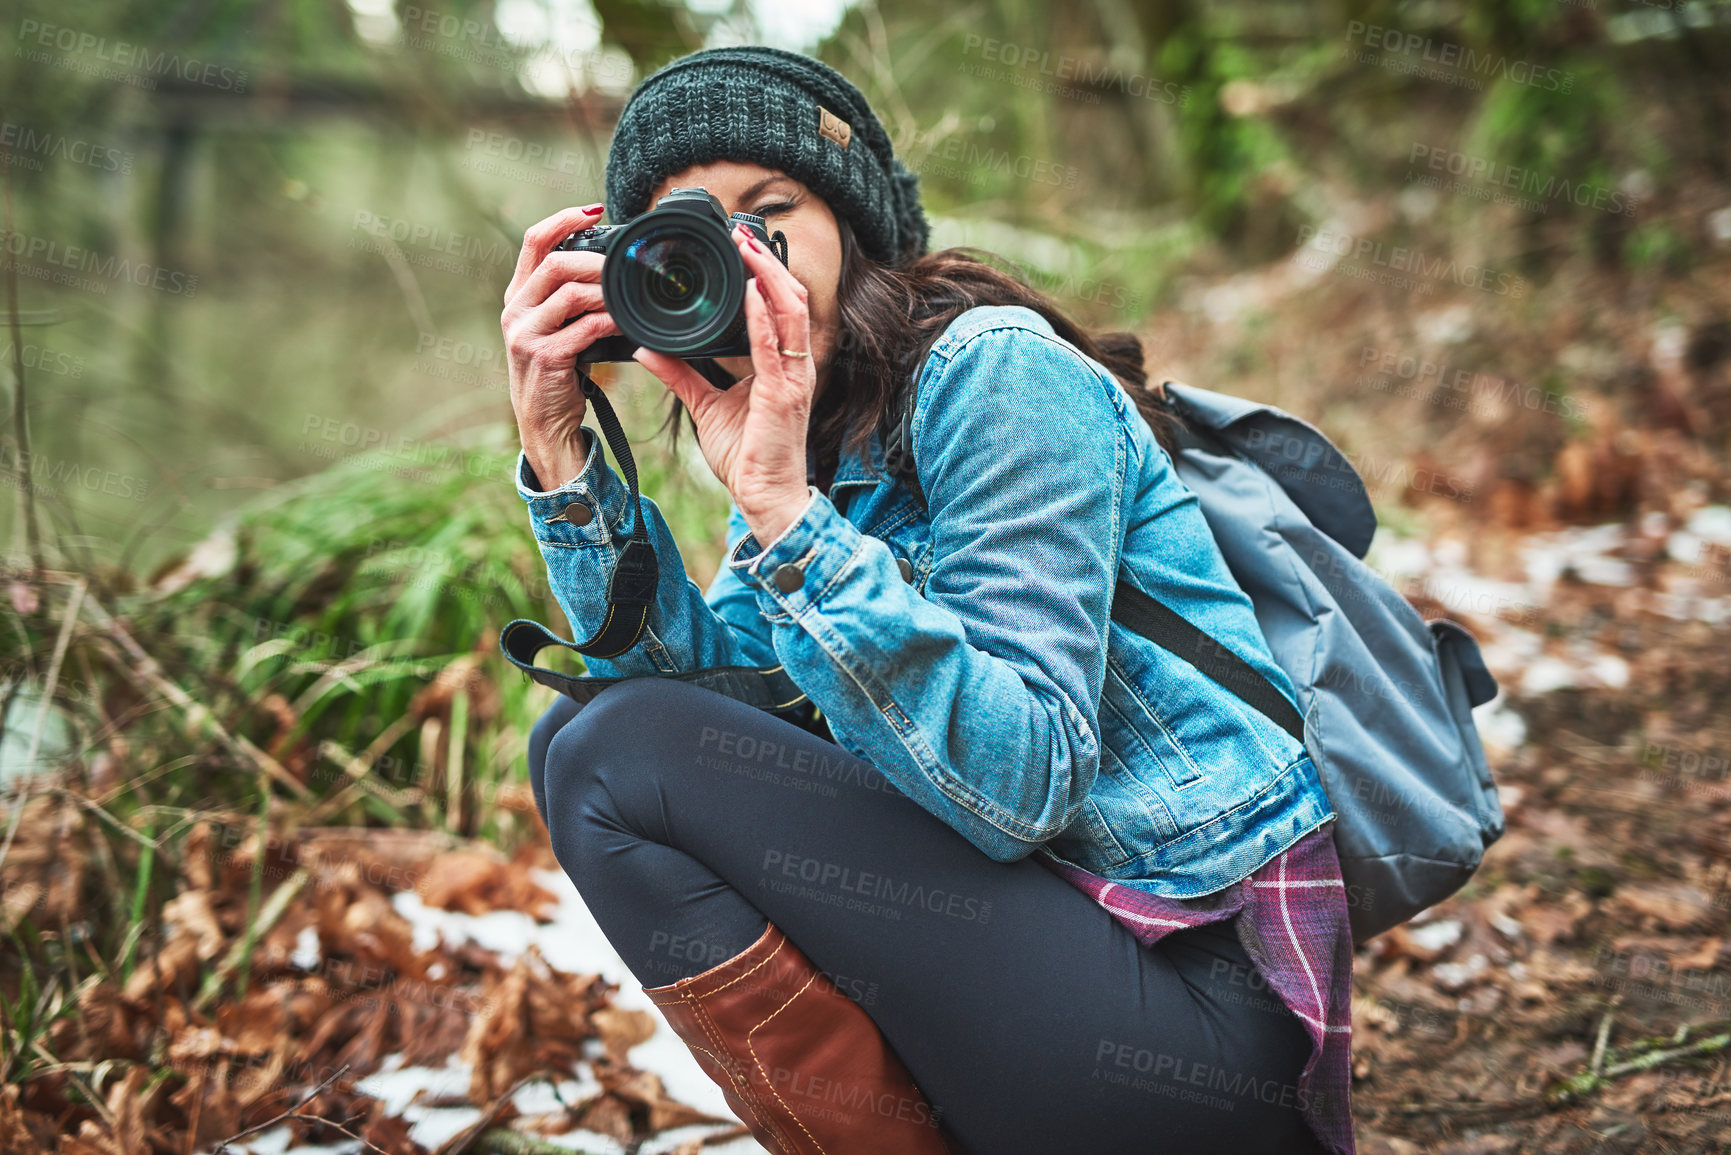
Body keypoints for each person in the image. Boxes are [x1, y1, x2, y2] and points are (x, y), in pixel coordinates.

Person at [502, 45, 1354, 1155]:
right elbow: (705, 711)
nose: (744, 258)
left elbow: (1027, 784)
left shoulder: (996, 373)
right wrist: (563, 457)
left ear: (853, 230)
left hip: (1194, 1009)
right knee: (576, 733)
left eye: (771, 216)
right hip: (1044, 981)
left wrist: (786, 516)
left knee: (610, 748)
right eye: (693, 238)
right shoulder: (809, 435)